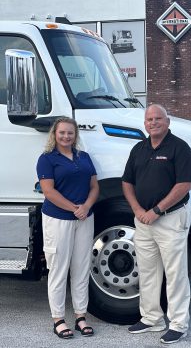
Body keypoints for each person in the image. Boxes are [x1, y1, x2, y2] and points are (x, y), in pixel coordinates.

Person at [122, 104, 191, 344]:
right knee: (147, 271)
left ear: (168, 121)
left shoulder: (180, 148)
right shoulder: (139, 149)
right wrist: (138, 210)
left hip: (171, 218)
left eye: (158, 118)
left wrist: (156, 210)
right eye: (149, 119)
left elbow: (183, 185)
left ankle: (178, 324)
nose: (153, 122)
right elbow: (127, 182)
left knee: (175, 273)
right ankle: (151, 318)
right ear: (145, 124)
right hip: (143, 220)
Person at [36, 117, 99, 339]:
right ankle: (59, 319)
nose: (66, 137)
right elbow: (49, 192)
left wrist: (87, 206)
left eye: (70, 133)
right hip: (58, 219)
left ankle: (81, 316)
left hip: (84, 218)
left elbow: (94, 186)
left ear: (75, 135)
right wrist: (75, 209)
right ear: (55, 134)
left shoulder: (84, 158)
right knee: (59, 269)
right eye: (62, 133)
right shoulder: (47, 159)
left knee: (81, 269)